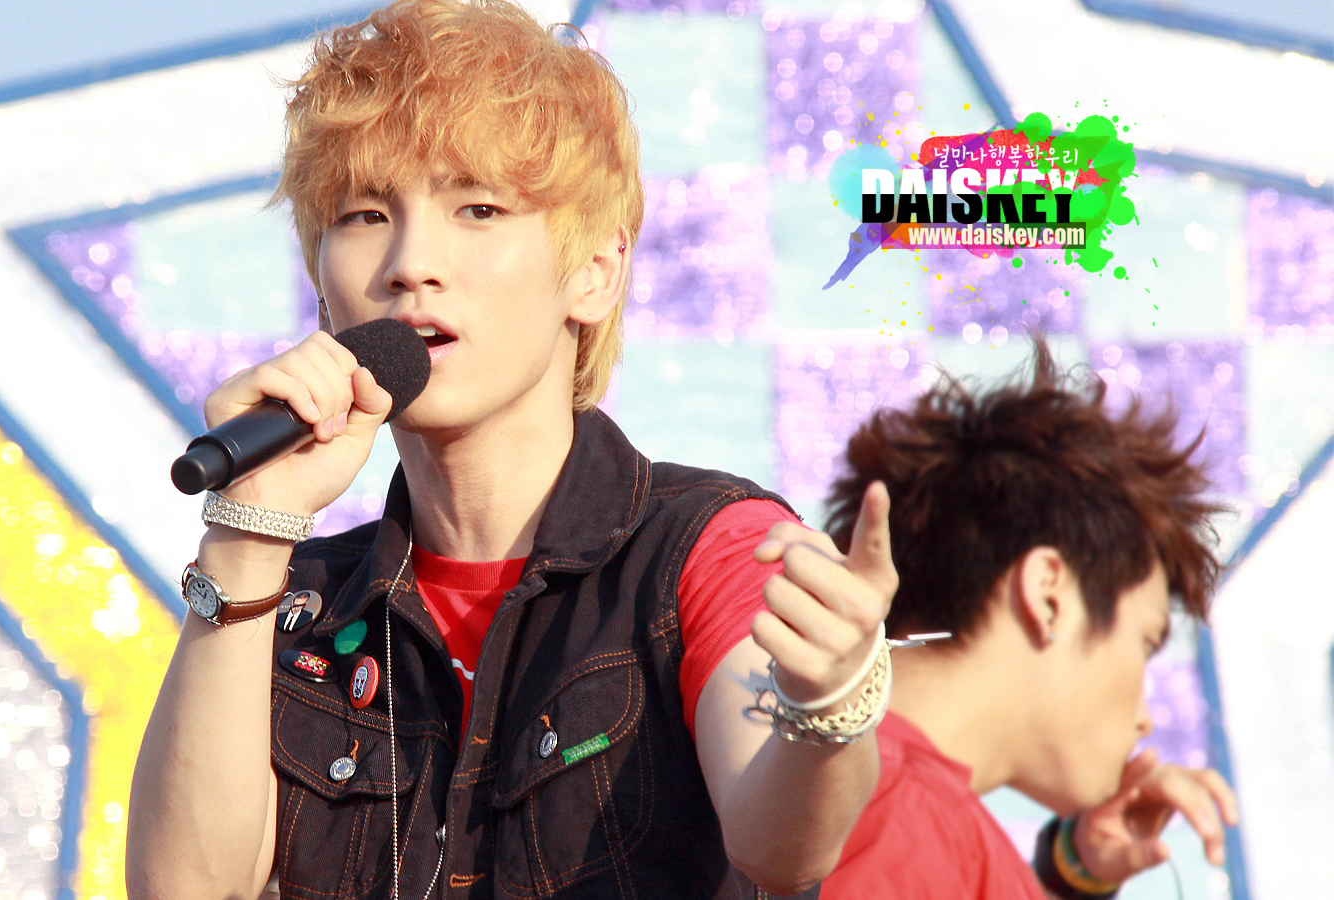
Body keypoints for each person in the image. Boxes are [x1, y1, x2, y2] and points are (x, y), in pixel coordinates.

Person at [125, 2, 899, 898]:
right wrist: (247, 533)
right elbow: (184, 888)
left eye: (479, 209)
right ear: (322, 289)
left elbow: (781, 849)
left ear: (595, 272)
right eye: (365, 213)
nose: (411, 263)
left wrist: (827, 708)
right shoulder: (293, 604)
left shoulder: (706, 547)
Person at [816, 342, 1240, 900]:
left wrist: (1074, 871)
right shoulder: (909, 821)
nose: (1144, 721)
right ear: (1048, 597)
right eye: (1144, 641)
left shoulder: (849, 792)